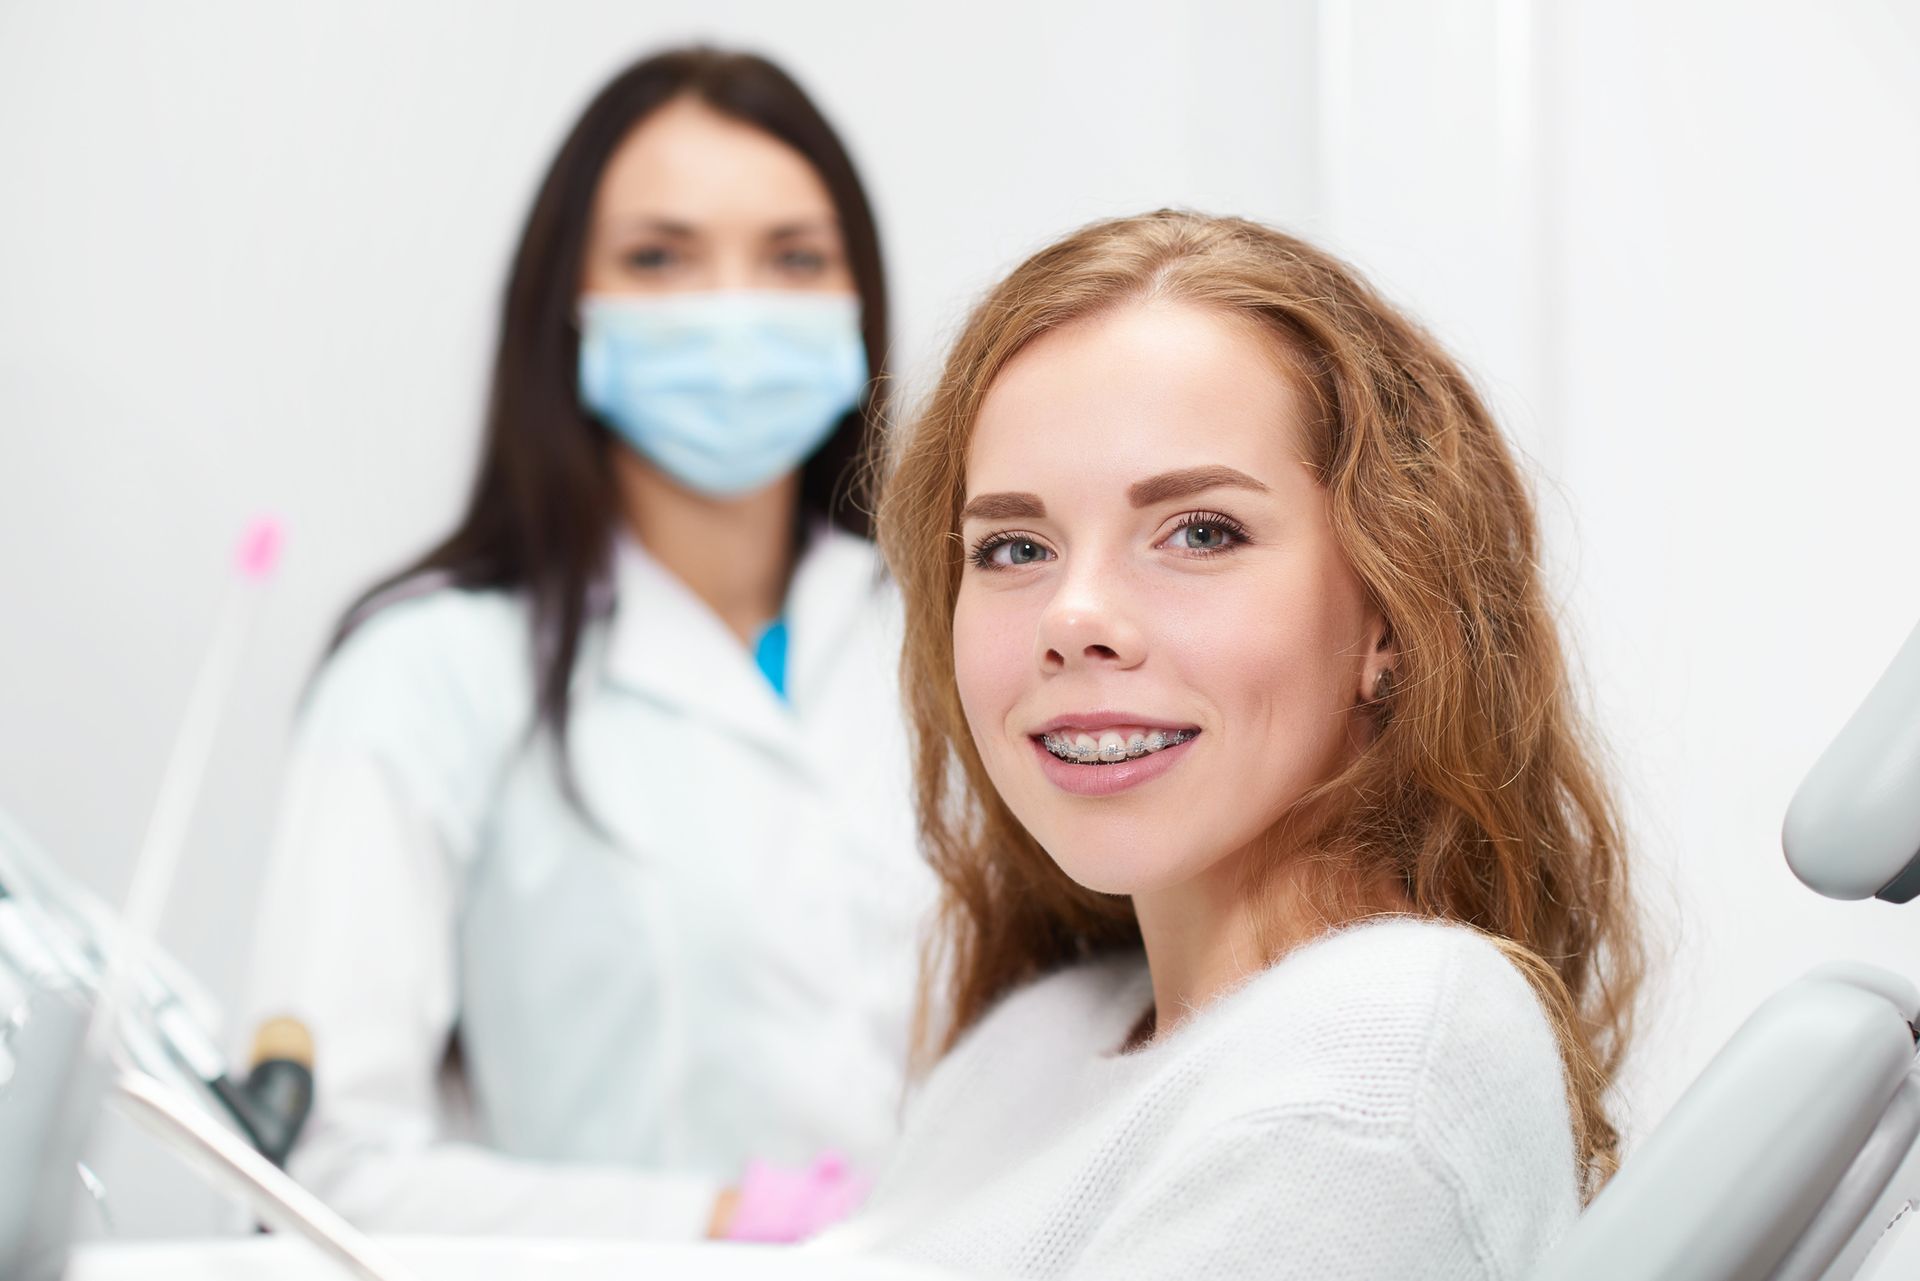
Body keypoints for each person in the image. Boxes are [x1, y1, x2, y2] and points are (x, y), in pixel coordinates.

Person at [813, 211, 1645, 1278]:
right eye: (1015, 546)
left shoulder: (1382, 1051)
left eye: (1200, 532)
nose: (1074, 619)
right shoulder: (1043, 1039)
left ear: (1391, 613)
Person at [243, 47, 930, 1240]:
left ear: (857, 300)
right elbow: (316, 1172)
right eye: (660, 258)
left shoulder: (954, 633)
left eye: (794, 258)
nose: (731, 310)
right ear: (569, 302)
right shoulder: (426, 676)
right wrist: (709, 1224)